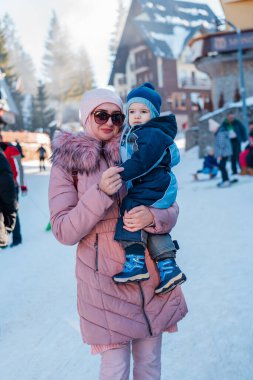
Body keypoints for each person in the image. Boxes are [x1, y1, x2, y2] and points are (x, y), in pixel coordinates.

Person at [49, 88, 188, 380]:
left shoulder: (136, 148)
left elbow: (171, 207)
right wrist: (100, 193)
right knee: (115, 369)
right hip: (104, 286)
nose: (109, 122)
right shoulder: (68, 163)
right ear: (87, 117)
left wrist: (154, 216)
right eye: (101, 115)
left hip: (150, 278)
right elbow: (63, 230)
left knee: (150, 365)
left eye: (117, 116)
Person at [113, 82, 186, 294]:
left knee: (130, 207)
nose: (136, 115)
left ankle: (135, 260)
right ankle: (168, 267)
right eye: (132, 111)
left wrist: (121, 172)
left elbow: (143, 161)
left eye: (143, 111)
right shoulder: (142, 132)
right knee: (149, 224)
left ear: (153, 114)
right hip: (157, 184)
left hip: (157, 184)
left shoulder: (151, 133)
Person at [0, 135, 27, 247]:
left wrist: (23, 185)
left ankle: (17, 238)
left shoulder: (10, 150)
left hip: (11, 186)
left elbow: (20, 167)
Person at [220, 112, 248, 178]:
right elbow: (222, 132)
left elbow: (243, 129)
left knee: (239, 155)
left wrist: (244, 138)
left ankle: (242, 169)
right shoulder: (224, 124)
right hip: (229, 141)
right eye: (230, 117)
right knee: (232, 156)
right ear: (227, 117)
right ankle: (234, 170)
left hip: (237, 140)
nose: (231, 118)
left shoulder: (237, 122)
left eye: (232, 117)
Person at [0, 148, 17, 249]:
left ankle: (15, 238)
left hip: (6, 186)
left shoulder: (7, 151)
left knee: (10, 212)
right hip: (6, 185)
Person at [214, 120, 233, 188]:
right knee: (222, 167)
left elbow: (221, 145)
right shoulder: (220, 133)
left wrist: (220, 155)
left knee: (222, 167)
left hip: (223, 153)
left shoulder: (220, 133)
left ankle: (226, 181)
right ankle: (225, 179)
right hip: (224, 153)